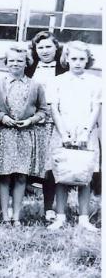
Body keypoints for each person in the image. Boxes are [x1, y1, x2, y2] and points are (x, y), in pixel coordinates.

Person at [0, 46, 48, 226]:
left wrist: (30, 120)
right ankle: (5, 215)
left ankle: (16, 216)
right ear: (6, 63)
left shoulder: (35, 85)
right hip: (4, 134)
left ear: (26, 63)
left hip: (25, 134)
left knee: (21, 176)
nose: (15, 63)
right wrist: (2, 117)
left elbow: (43, 110)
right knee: (4, 175)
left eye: (20, 60)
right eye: (11, 60)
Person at [48, 41, 101, 232]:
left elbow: (96, 107)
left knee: (84, 173)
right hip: (63, 132)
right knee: (63, 173)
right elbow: (54, 108)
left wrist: (86, 131)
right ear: (66, 59)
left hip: (86, 133)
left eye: (82, 59)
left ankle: (84, 218)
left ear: (87, 60)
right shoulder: (57, 81)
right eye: (74, 59)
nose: (77, 63)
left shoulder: (96, 81)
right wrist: (64, 132)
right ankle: (60, 216)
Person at [25, 31, 66, 222]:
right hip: (34, 121)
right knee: (31, 162)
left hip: (57, 121)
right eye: (40, 47)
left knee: (52, 164)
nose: (44, 51)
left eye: (48, 46)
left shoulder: (64, 68)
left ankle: (50, 207)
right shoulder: (30, 68)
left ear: (56, 48)